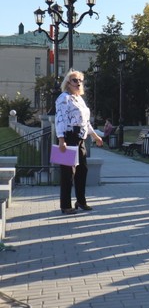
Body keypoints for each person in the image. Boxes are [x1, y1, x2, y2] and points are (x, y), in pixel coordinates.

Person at [55, 70, 104, 214]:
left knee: (82, 170)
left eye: (80, 80)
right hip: (68, 137)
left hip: (80, 139)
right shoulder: (64, 98)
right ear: (68, 83)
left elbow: (85, 122)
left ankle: (81, 201)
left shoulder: (79, 99)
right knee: (67, 172)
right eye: (75, 80)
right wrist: (61, 140)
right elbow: (60, 120)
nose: (78, 83)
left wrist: (95, 136)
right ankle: (65, 205)